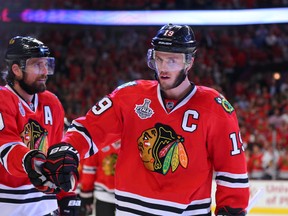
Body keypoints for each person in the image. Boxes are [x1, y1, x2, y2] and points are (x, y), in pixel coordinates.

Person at [43, 24, 250, 215]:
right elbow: (89, 128)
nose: (163, 67)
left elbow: (232, 168)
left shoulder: (214, 107)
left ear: (189, 61)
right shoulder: (129, 96)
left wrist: (231, 208)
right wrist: (68, 149)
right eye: (159, 58)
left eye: (172, 60)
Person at [0, 36, 80, 216]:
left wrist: (66, 194)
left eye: (47, 64)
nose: (45, 71)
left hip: (46, 205)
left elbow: (58, 155)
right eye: (37, 65)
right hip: (9, 204)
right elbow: (5, 147)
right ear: (16, 69)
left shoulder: (52, 102)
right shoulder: (2, 99)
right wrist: (32, 162)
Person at [79, 140, 120, 216]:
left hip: (126, 198)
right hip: (103, 195)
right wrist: (86, 194)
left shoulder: (132, 144)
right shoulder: (100, 142)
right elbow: (89, 169)